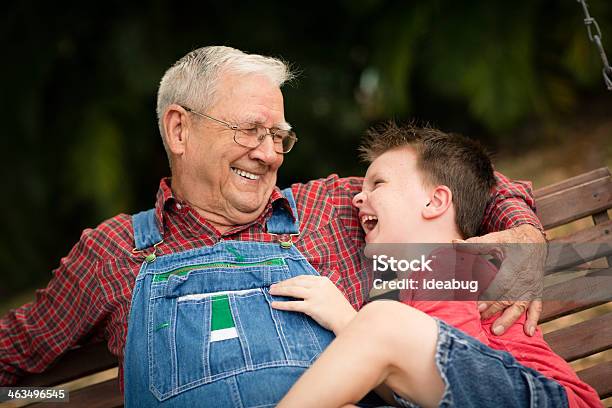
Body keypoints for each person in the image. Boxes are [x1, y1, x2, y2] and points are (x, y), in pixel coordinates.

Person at [1, 46, 546, 405]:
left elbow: (470, 183)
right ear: (179, 130)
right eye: (251, 131)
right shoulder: (114, 252)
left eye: (279, 136)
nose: (269, 154)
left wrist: (524, 237)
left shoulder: (332, 209)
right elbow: (16, 351)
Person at [270, 123, 600, 407]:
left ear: (435, 201)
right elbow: (414, 386)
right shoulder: (390, 281)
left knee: (382, 321)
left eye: (377, 184)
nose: (358, 197)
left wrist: (347, 320)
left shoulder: (454, 261)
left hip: (545, 396)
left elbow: (452, 370)